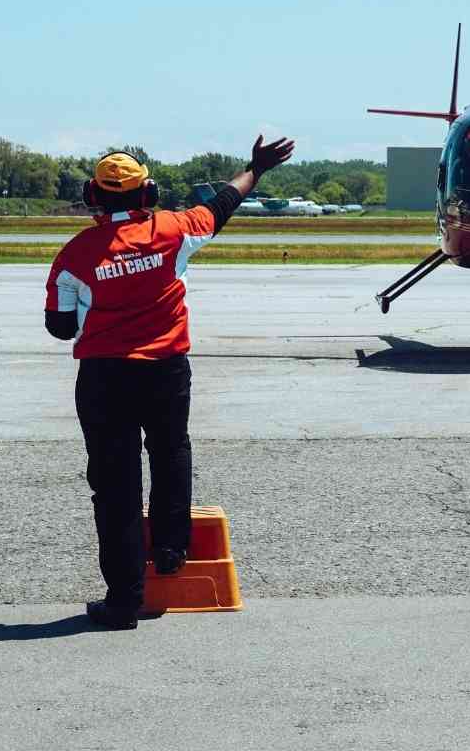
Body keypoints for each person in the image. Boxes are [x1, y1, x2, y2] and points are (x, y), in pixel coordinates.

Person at [44, 136, 294, 630]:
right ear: (148, 194)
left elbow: (60, 326)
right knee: (170, 450)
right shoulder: (174, 230)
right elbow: (222, 203)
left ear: (93, 196)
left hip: (104, 375)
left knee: (114, 485)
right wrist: (256, 168)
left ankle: (122, 601)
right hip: (165, 367)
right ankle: (171, 548)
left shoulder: (74, 255)